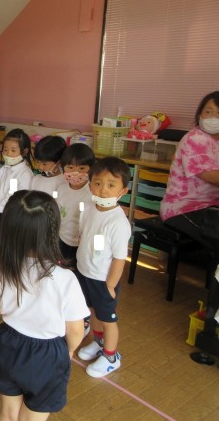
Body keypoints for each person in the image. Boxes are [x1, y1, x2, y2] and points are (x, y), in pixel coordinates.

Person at [0, 190, 89, 420]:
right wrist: (68, 350)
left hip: (9, 344)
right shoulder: (65, 279)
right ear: (52, 230)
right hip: (48, 354)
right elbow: (76, 330)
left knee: (9, 414)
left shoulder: (1, 269)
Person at [161, 90, 219, 266]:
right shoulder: (194, 139)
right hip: (185, 208)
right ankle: (217, 291)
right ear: (199, 115)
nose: (213, 116)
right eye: (208, 111)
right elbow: (212, 176)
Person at [76, 157, 131, 378]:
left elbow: (119, 259)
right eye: (98, 183)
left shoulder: (118, 222)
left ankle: (111, 356)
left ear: (123, 190)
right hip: (86, 273)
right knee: (94, 312)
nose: (103, 190)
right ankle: (99, 343)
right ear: (90, 185)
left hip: (103, 279)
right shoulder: (88, 208)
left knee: (108, 319)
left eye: (111, 184)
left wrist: (110, 285)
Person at [0, 128, 33, 256]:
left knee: (10, 247)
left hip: (13, 217)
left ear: (25, 151)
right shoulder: (3, 170)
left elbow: (23, 202)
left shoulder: (25, 173)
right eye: (5, 149)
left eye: (13, 150)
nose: (8, 154)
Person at [56, 143, 96, 268]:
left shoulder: (92, 193)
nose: (75, 173)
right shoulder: (61, 189)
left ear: (91, 169)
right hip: (62, 239)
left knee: (78, 273)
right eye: (70, 167)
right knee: (63, 269)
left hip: (82, 244)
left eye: (82, 168)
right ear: (63, 168)